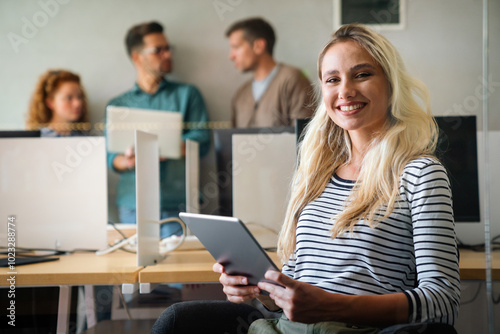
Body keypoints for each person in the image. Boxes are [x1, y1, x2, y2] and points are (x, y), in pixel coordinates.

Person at [151, 24, 460, 334]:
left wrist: (331, 306)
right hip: (288, 328)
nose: (345, 91)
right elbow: (296, 288)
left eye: (362, 74)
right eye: (332, 80)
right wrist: (263, 288)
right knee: (177, 321)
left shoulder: (420, 173)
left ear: (391, 83)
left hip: (359, 330)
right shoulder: (316, 174)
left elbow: (442, 302)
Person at [107, 21, 210, 238]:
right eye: (158, 50)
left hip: (179, 201)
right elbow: (110, 157)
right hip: (132, 204)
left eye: (168, 48)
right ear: (137, 57)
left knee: (178, 269)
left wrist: (164, 147)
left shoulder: (188, 94)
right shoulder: (118, 105)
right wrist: (128, 161)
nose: (167, 54)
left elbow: (203, 140)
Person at [226, 17, 315, 128]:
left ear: (259, 46)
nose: (231, 56)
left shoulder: (293, 79)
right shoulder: (240, 95)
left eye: (236, 47)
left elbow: (304, 137)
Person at [26, 69, 90, 137]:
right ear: (50, 102)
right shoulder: (37, 138)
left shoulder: (83, 138)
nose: (78, 103)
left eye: (79, 97)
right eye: (69, 98)